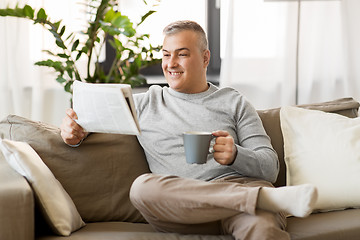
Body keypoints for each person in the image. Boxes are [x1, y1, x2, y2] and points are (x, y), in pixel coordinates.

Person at [60, 20, 318, 240]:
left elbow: (270, 167)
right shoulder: (144, 103)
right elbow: (83, 120)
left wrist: (236, 154)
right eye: (165, 54)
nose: (171, 63)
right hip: (182, 208)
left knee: (264, 230)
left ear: (205, 58)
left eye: (182, 54)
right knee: (142, 188)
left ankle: (257, 200)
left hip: (243, 206)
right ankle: (261, 199)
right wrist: (70, 131)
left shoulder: (233, 102)